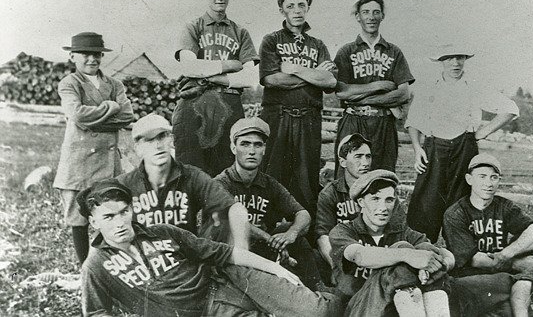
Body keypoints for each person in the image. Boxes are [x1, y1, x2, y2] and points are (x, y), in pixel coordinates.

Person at [78, 179, 342, 317]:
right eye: (108, 217)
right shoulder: (96, 265)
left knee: (321, 312)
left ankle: (354, 298)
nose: (120, 223)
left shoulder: (161, 232)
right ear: (93, 222)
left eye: (124, 212)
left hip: (230, 278)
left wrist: (274, 268)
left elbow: (223, 253)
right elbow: (97, 312)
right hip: (208, 313)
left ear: (132, 209)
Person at [406, 44, 519, 242]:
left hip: (464, 150)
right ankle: (420, 257)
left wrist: (483, 132)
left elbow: (509, 108)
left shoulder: (475, 86)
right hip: (434, 150)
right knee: (426, 205)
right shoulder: (429, 87)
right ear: (441, 61)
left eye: (460, 58)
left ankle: (461, 259)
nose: (455, 63)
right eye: (449, 58)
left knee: (462, 205)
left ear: (465, 59)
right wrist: (417, 149)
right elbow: (414, 121)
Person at [210, 116, 322, 290]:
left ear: (264, 149)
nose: (252, 151)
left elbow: (303, 214)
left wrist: (290, 234)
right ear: (233, 148)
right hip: (233, 253)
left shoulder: (269, 184)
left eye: (258, 145)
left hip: (262, 251)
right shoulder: (221, 183)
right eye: (245, 144)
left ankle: (317, 286)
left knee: (290, 231)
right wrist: (270, 239)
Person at [54, 32, 134, 264]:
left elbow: (127, 115)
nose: (92, 59)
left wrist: (96, 117)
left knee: (110, 211)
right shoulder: (70, 83)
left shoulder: (114, 84)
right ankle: (85, 268)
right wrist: (110, 107)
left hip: (108, 163)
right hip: (79, 162)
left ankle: (109, 264)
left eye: (96, 54)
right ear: (72, 56)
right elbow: (77, 115)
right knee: (78, 219)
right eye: (85, 54)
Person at [258, 0, 337, 217]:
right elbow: (271, 80)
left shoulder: (318, 44)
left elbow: (331, 82)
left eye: (301, 5)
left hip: (308, 119)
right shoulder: (271, 40)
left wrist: (293, 68)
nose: (296, 10)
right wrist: (313, 74)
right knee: (272, 175)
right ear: (282, 9)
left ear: (308, 8)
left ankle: (304, 237)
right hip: (278, 116)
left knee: (305, 179)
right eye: (290, 5)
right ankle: (267, 229)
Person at [329, 170, 455, 317]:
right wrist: (407, 255)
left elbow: (445, 255)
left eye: (389, 200)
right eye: (375, 199)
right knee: (402, 248)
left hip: (395, 309)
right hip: (360, 307)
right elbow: (360, 255)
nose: (383, 207)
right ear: (361, 202)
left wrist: (437, 263)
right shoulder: (344, 231)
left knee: (424, 248)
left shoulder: (401, 232)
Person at [117, 114, 249, 248]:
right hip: (146, 262)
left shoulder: (191, 176)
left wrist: (241, 253)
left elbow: (233, 208)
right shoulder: (125, 184)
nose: (158, 146)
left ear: (172, 140)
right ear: (138, 149)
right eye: (149, 140)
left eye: (162, 136)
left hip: (185, 260)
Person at [172, 0, 259, 177]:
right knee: (190, 171)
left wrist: (210, 77)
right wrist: (228, 65)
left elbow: (250, 77)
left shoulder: (240, 32)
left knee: (226, 172)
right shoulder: (193, 27)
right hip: (195, 104)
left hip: (229, 105)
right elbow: (189, 66)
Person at [333, 0, 414, 173]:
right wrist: (377, 86)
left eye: (376, 12)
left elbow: (403, 94)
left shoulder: (394, 51)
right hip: (353, 120)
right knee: (347, 176)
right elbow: (341, 92)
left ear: (382, 16)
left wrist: (363, 99)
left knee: (382, 175)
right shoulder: (346, 51)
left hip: (384, 122)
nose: (371, 17)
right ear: (357, 16)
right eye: (366, 12)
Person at [315, 133, 406, 274]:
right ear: (343, 161)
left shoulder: (383, 190)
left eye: (368, 156)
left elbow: (399, 229)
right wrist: (336, 267)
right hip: (345, 256)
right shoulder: (330, 193)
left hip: (380, 254)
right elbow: (323, 235)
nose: (365, 163)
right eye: (358, 156)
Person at [443, 153, 533, 277]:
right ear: (469, 179)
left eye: (493, 177)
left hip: (501, 268)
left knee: (532, 252)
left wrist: (506, 254)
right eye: (482, 176)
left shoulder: (503, 206)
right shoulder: (456, 213)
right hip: (471, 276)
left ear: (499, 181)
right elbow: (474, 260)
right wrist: (514, 264)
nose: (488, 183)